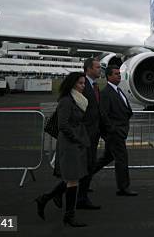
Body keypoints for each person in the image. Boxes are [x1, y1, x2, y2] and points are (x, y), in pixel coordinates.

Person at [35, 72, 89, 227]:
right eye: (80, 83)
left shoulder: (79, 100)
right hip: (70, 144)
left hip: (75, 143)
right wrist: (77, 139)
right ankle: (69, 216)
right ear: (72, 84)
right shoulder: (66, 101)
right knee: (73, 179)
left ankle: (45, 199)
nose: (83, 86)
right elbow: (63, 125)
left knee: (73, 179)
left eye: (84, 83)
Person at [93, 65, 138, 196]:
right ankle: (123, 187)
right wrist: (112, 131)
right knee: (122, 159)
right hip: (115, 134)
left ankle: (84, 177)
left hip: (119, 132)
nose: (119, 75)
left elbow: (125, 109)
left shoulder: (118, 90)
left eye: (119, 73)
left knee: (106, 158)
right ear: (108, 77)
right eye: (116, 74)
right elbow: (104, 115)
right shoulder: (106, 93)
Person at [77, 57, 112, 209]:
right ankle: (78, 198)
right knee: (83, 166)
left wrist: (107, 128)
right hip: (84, 134)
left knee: (88, 165)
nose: (100, 70)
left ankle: (80, 196)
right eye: (97, 67)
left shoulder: (95, 86)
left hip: (94, 133)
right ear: (89, 69)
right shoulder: (82, 85)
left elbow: (97, 110)